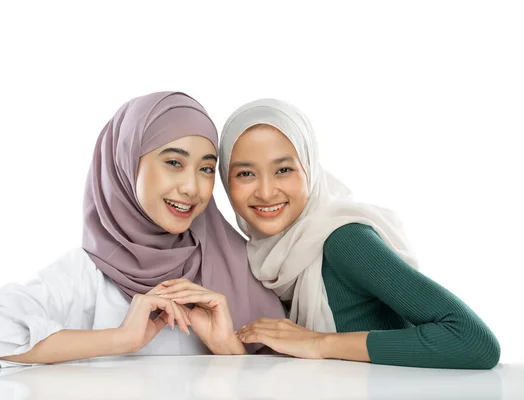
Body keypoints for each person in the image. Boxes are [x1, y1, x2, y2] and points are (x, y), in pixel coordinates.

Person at [0, 91, 285, 367]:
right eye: (173, 163)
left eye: (206, 169)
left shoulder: (243, 268)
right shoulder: (84, 275)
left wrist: (229, 350)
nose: (192, 188)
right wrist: (120, 339)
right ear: (125, 162)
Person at [214, 98, 500, 369]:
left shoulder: (343, 239)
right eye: (246, 174)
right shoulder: (261, 259)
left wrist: (319, 343)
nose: (265, 192)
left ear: (310, 170)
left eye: (284, 169)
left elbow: (474, 341)